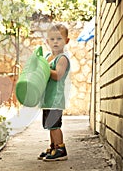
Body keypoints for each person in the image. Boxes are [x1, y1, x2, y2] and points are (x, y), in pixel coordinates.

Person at [37, 23, 70, 161]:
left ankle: (61, 149)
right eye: (52, 39)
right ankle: (53, 147)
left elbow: (57, 75)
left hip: (55, 99)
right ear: (47, 41)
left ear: (66, 41)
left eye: (59, 38)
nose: (55, 42)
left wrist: (45, 69)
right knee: (49, 125)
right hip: (47, 99)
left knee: (55, 125)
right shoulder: (47, 57)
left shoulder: (62, 58)